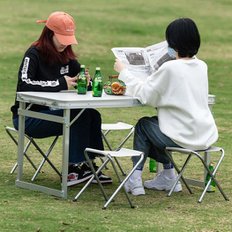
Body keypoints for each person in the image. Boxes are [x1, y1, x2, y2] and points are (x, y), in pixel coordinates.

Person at [114, 18, 218, 195]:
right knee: (156, 125)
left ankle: (135, 179)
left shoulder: (170, 68)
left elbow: (146, 96)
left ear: (173, 43)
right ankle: (168, 176)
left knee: (144, 126)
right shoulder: (201, 66)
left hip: (183, 137)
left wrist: (124, 72)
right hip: (203, 134)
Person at [11, 11, 112, 186]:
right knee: (77, 117)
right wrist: (60, 83)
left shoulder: (66, 56)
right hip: (28, 117)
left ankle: (89, 165)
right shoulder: (33, 53)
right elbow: (24, 85)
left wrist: (85, 81)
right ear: (50, 34)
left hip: (54, 113)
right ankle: (72, 169)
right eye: (62, 40)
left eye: (68, 40)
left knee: (91, 114)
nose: (66, 45)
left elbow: (77, 78)